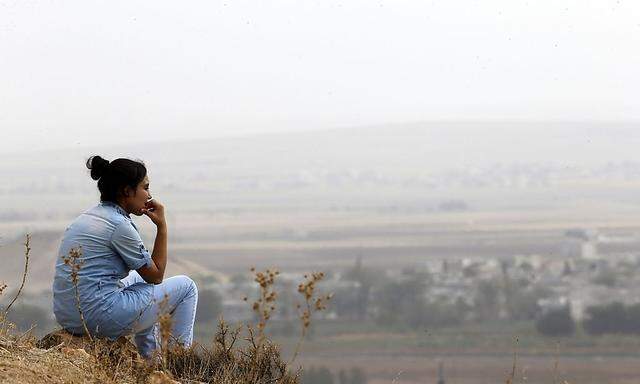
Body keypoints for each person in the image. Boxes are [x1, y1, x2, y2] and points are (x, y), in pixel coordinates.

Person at [52, 155, 198, 358]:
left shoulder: (89, 216)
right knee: (187, 287)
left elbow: (146, 277)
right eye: (145, 187)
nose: (149, 195)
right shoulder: (119, 225)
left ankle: (151, 361)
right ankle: (180, 361)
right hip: (96, 317)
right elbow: (155, 276)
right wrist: (162, 226)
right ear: (127, 191)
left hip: (69, 314)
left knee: (139, 283)